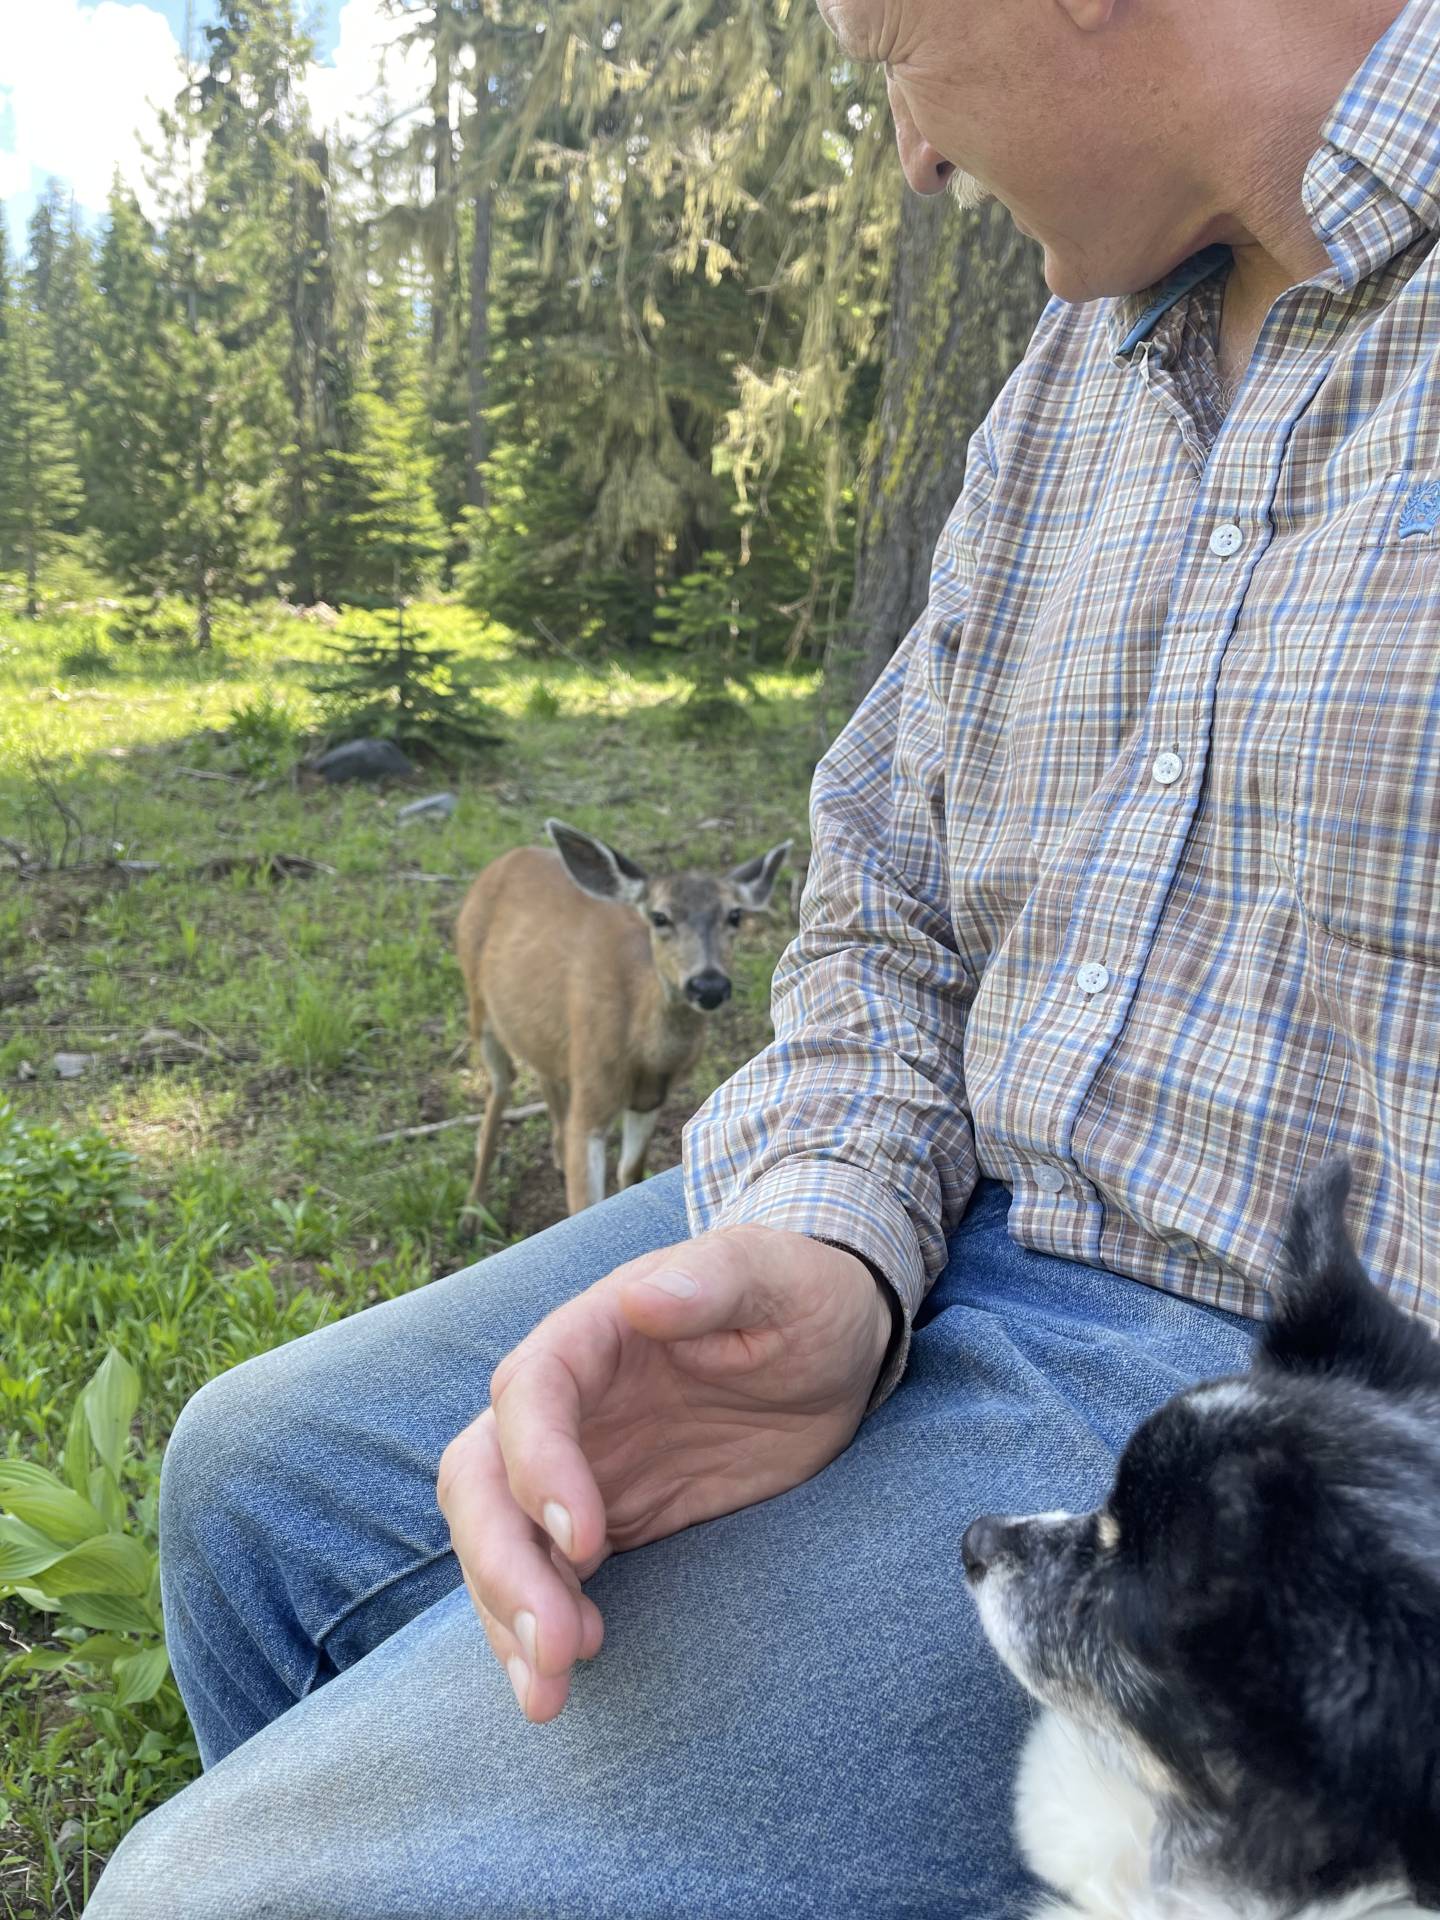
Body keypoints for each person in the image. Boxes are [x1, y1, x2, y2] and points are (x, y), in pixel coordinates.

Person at [86, 0, 1440, 1913]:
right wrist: (836, 1245)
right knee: (255, 1484)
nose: (906, 153)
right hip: (950, 1205)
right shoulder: (1072, 373)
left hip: (1284, 1397)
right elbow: (879, 886)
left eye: (888, 49)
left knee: (211, 1897)